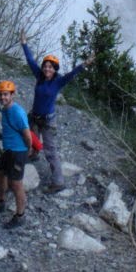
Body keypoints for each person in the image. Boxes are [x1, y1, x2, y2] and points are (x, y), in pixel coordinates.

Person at [21, 31, 95, 193]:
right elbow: (30, 60)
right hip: (35, 115)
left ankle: (58, 181)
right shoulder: (39, 76)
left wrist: (85, 64)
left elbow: (72, 74)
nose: (47, 69)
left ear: (55, 69)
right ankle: (33, 153)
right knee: (27, 133)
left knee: (51, 150)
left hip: (47, 121)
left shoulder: (59, 81)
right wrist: (24, 44)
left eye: (51, 67)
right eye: (46, 66)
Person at [0, 80, 32, 228]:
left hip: (18, 151)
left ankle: (20, 215)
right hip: (9, 150)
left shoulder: (17, 112)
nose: (3, 97)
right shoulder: (5, 109)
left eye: (6, 94)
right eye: (1, 94)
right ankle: (0, 201)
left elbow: (27, 135)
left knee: (16, 184)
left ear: (12, 95)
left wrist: (27, 151)